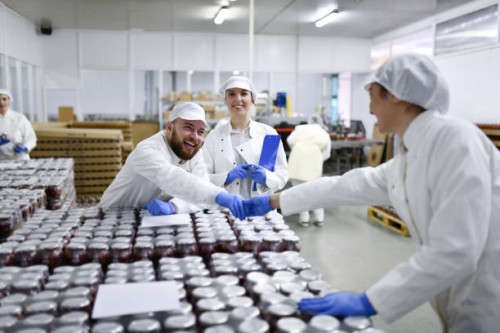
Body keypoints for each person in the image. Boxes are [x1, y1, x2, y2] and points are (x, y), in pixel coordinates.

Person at [241, 54, 500, 332]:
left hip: (488, 294)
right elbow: (345, 184)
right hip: (458, 293)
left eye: (372, 93)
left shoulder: (455, 139)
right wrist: (275, 200)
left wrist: (370, 301)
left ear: (397, 96)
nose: (370, 105)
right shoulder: (409, 156)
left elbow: (456, 247)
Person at [99, 102, 247, 220]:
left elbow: (201, 195)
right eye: (188, 128)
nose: (195, 137)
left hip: (148, 220)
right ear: (169, 127)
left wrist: (173, 206)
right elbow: (171, 177)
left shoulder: (194, 152)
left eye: (200, 132)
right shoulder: (147, 150)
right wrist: (220, 196)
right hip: (111, 218)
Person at [202, 76, 288, 199]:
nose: (238, 99)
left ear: (252, 99)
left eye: (244, 94)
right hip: (225, 211)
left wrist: (267, 178)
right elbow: (202, 177)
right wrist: (226, 177)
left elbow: (282, 174)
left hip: (261, 210)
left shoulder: (268, 134)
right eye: (232, 94)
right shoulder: (214, 137)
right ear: (225, 100)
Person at [286, 119, 331, 227]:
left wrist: (297, 149)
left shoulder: (299, 129)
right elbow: (327, 153)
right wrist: (319, 158)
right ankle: (319, 218)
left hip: (296, 162)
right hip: (313, 164)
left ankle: (304, 219)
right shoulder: (323, 132)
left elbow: (289, 140)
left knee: (300, 193)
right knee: (316, 192)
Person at [0, 89, 37, 160]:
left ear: (9, 101)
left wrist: (25, 147)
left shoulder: (20, 118)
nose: (1, 103)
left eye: (4, 99)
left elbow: (31, 138)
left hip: (20, 159)